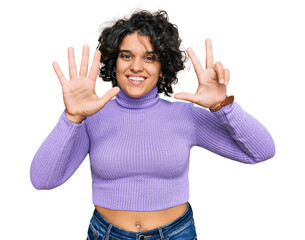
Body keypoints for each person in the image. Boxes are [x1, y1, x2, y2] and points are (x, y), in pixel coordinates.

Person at [30, 9, 276, 240]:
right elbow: (42, 180)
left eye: (150, 58)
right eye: (126, 56)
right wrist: (72, 118)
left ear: (162, 68)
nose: (136, 66)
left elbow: (262, 152)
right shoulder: (91, 117)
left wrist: (222, 105)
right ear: (113, 63)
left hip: (176, 233)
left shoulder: (185, 116)